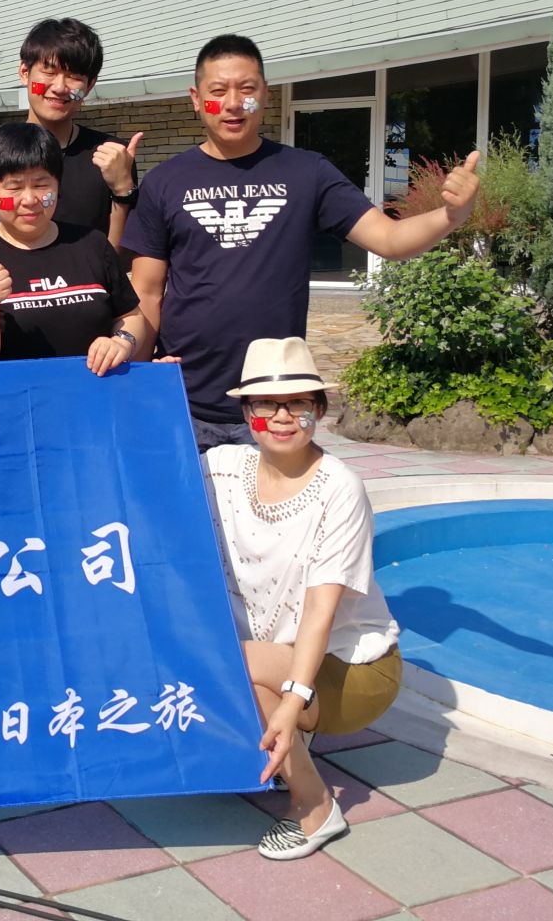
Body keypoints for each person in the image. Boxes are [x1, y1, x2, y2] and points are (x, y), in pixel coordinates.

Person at [124, 33, 481, 451]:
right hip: (184, 400)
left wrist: (451, 215)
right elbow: (147, 292)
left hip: (275, 404)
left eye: (246, 89)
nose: (233, 103)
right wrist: (140, 382)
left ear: (265, 94)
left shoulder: (305, 172)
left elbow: (389, 239)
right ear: (197, 99)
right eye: (218, 91)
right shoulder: (166, 181)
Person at [203, 337, 401, 860]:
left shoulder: (340, 488)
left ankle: (315, 807)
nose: (282, 416)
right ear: (246, 412)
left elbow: (320, 611)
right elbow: (147, 473)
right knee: (217, 658)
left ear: (320, 409)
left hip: (352, 666)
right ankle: (277, 740)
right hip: (277, 654)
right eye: (266, 403)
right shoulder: (220, 469)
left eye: (298, 403)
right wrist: (140, 382)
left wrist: (292, 703)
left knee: (231, 663)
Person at [0, 122, 154, 374]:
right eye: (14, 187)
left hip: (94, 389)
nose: (29, 200)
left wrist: (122, 342)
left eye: (41, 185)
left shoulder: (93, 244)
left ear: (58, 185)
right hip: (16, 394)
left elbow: (131, 316)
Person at [0, 17, 142, 251]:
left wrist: (123, 190)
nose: (60, 87)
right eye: (49, 71)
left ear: (89, 85)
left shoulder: (112, 158)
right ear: (24, 72)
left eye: (74, 76)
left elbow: (119, 256)